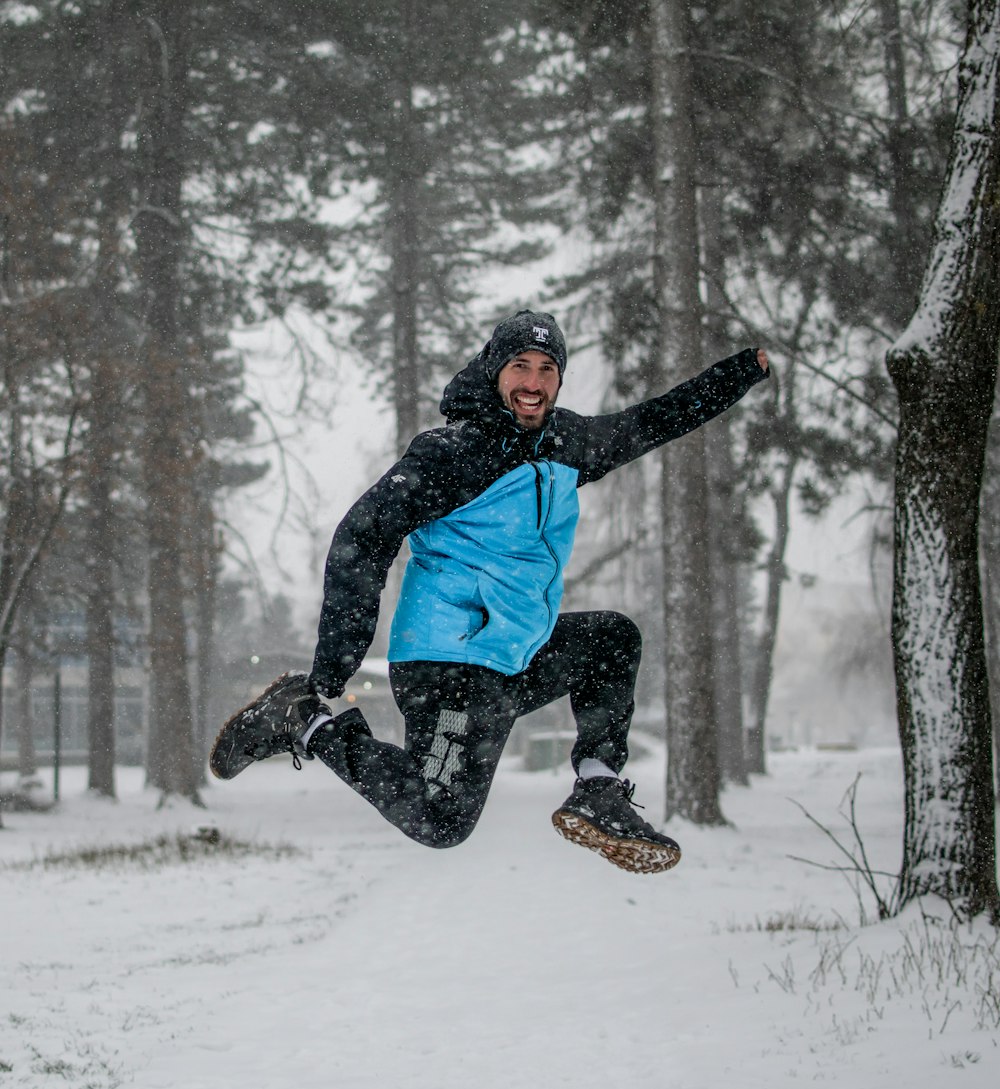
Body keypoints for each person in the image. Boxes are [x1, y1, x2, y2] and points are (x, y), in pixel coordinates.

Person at [210, 309, 769, 873]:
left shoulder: (567, 443)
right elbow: (363, 536)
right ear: (494, 370)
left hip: (508, 656)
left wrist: (743, 371)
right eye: (519, 365)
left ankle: (598, 786)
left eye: (547, 368)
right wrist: (332, 672)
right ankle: (303, 719)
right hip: (446, 661)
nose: (533, 382)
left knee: (611, 640)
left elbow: (653, 421)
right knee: (441, 819)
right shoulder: (451, 452)